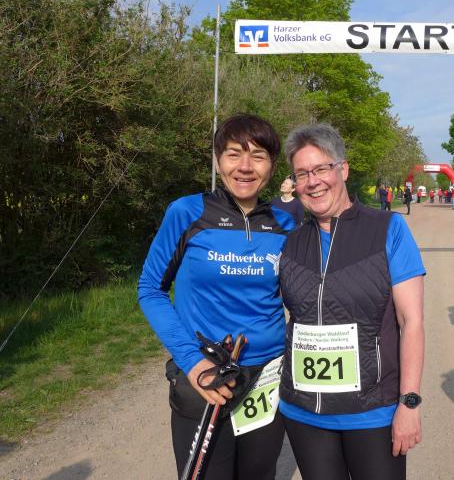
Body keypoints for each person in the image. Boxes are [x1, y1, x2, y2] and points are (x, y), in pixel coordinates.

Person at [138, 114, 294, 479]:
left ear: (272, 166)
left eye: (258, 156)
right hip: (206, 376)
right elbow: (150, 289)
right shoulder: (188, 213)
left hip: (268, 377)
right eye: (233, 154)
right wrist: (193, 363)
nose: (245, 166)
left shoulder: (286, 224)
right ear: (217, 161)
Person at [278, 123, 426, 480]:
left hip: (372, 412)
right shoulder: (290, 241)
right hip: (304, 413)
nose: (312, 182)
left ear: (342, 169)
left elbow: (412, 323)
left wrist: (409, 403)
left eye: (321, 169)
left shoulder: (387, 228)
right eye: (302, 174)